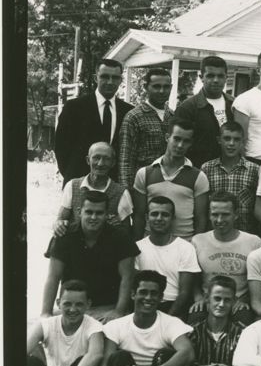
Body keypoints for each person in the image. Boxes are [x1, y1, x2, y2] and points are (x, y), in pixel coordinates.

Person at [41, 191, 139, 321]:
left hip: (107, 308)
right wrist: (46, 313)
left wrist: (118, 311)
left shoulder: (120, 237)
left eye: (99, 213)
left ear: (107, 214)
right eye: (89, 212)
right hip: (72, 307)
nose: (93, 217)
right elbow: (53, 277)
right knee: (40, 331)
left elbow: (127, 277)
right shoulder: (64, 236)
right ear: (80, 211)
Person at [54, 58, 133, 186]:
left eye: (115, 78)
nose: (110, 82)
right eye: (105, 76)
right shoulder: (74, 107)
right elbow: (61, 147)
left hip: (114, 185)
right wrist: (72, 176)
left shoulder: (128, 111)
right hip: (78, 181)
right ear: (96, 78)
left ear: (120, 80)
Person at [131, 118, 210, 240]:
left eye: (186, 141)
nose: (180, 145)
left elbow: (201, 218)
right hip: (151, 244)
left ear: (191, 143)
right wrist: (137, 245)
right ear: (167, 137)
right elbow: (139, 216)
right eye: (177, 139)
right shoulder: (145, 173)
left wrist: (195, 246)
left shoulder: (198, 177)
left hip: (185, 244)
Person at [190, 191, 261, 323]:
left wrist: (244, 300)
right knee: (195, 318)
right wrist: (199, 298)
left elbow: (256, 279)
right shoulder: (198, 241)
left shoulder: (253, 242)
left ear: (236, 214)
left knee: (243, 320)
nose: (219, 220)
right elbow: (193, 278)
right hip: (209, 301)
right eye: (215, 215)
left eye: (225, 215)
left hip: (237, 301)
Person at [134, 196, 201, 319]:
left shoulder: (185, 248)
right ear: (147, 217)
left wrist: (167, 320)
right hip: (145, 305)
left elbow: (184, 293)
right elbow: (135, 288)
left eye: (165, 214)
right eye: (154, 214)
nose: (159, 218)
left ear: (173, 218)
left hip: (175, 307)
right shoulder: (137, 248)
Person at [53, 141, 132, 235]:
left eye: (106, 159)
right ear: (88, 160)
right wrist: (59, 225)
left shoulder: (121, 193)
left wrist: (116, 226)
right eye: (96, 158)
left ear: (113, 163)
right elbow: (61, 219)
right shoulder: (72, 186)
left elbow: (126, 231)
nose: (100, 163)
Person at [117, 67, 173, 188]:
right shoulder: (134, 117)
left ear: (171, 88)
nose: (162, 91)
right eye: (156, 86)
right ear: (146, 87)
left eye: (166, 87)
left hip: (170, 183)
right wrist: (127, 190)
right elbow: (125, 159)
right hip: (142, 184)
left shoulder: (174, 116)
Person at [174, 55, 234, 167]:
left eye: (220, 76)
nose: (216, 80)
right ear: (201, 77)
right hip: (198, 172)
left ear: (226, 77)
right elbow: (179, 145)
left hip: (229, 172)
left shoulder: (235, 105)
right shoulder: (187, 108)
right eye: (210, 76)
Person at [201, 121, 260, 234]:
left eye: (236, 139)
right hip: (215, 234)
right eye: (227, 138)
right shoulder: (207, 169)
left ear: (242, 142)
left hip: (245, 234)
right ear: (219, 140)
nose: (231, 143)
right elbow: (203, 208)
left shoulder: (254, 170)